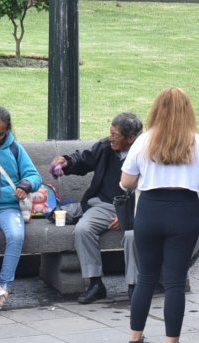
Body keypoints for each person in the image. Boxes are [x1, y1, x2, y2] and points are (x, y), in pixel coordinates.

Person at [122, 88, 199, 343]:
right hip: (184, 210)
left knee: (146, 278)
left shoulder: (144, 141)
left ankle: (135, 341)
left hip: (150, 209)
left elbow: (126, 182)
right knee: (175, 281)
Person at [48, 112, 144, 304]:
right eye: (111, 133)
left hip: (135, 208)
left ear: (131, 138)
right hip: (103, 205)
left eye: (116, 135)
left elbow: (148, 189)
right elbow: (84, 159)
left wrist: (126, 215)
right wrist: (67, 162)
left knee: (132, 236)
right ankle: (95, 284)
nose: (111, 138)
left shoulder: (146, 153)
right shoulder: (106, 147)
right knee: (83, 229)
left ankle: (134, 286)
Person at [0, 107, 42, 312]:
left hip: (8, 206)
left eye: (0, 134)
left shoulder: (15, 149)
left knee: (16, 235)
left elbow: (34, 176)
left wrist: (25, 185)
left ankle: (4, 287)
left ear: (7, 131)